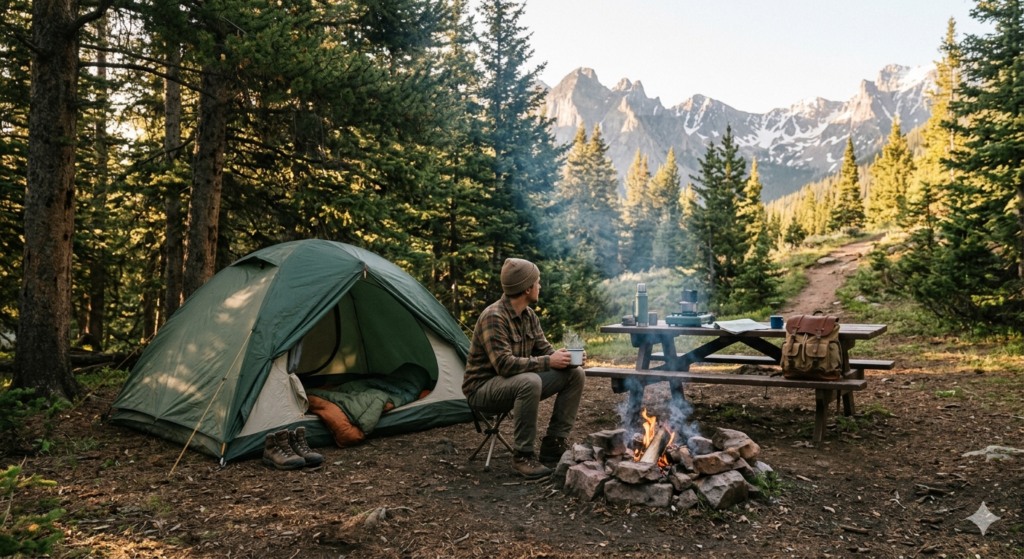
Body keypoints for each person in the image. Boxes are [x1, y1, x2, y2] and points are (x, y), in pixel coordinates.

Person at [462, 258, 586, 479]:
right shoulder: (493, 316)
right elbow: (504, 365)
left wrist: (568, 359)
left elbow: (546, 351)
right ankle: (523, 456)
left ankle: (553, 443)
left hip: (515, 384)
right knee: (530, 381)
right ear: (527, 288)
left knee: (574, 374)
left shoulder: (529, 316)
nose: (540, 286)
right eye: (537, 282)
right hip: (481, 390)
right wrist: (548, 361)